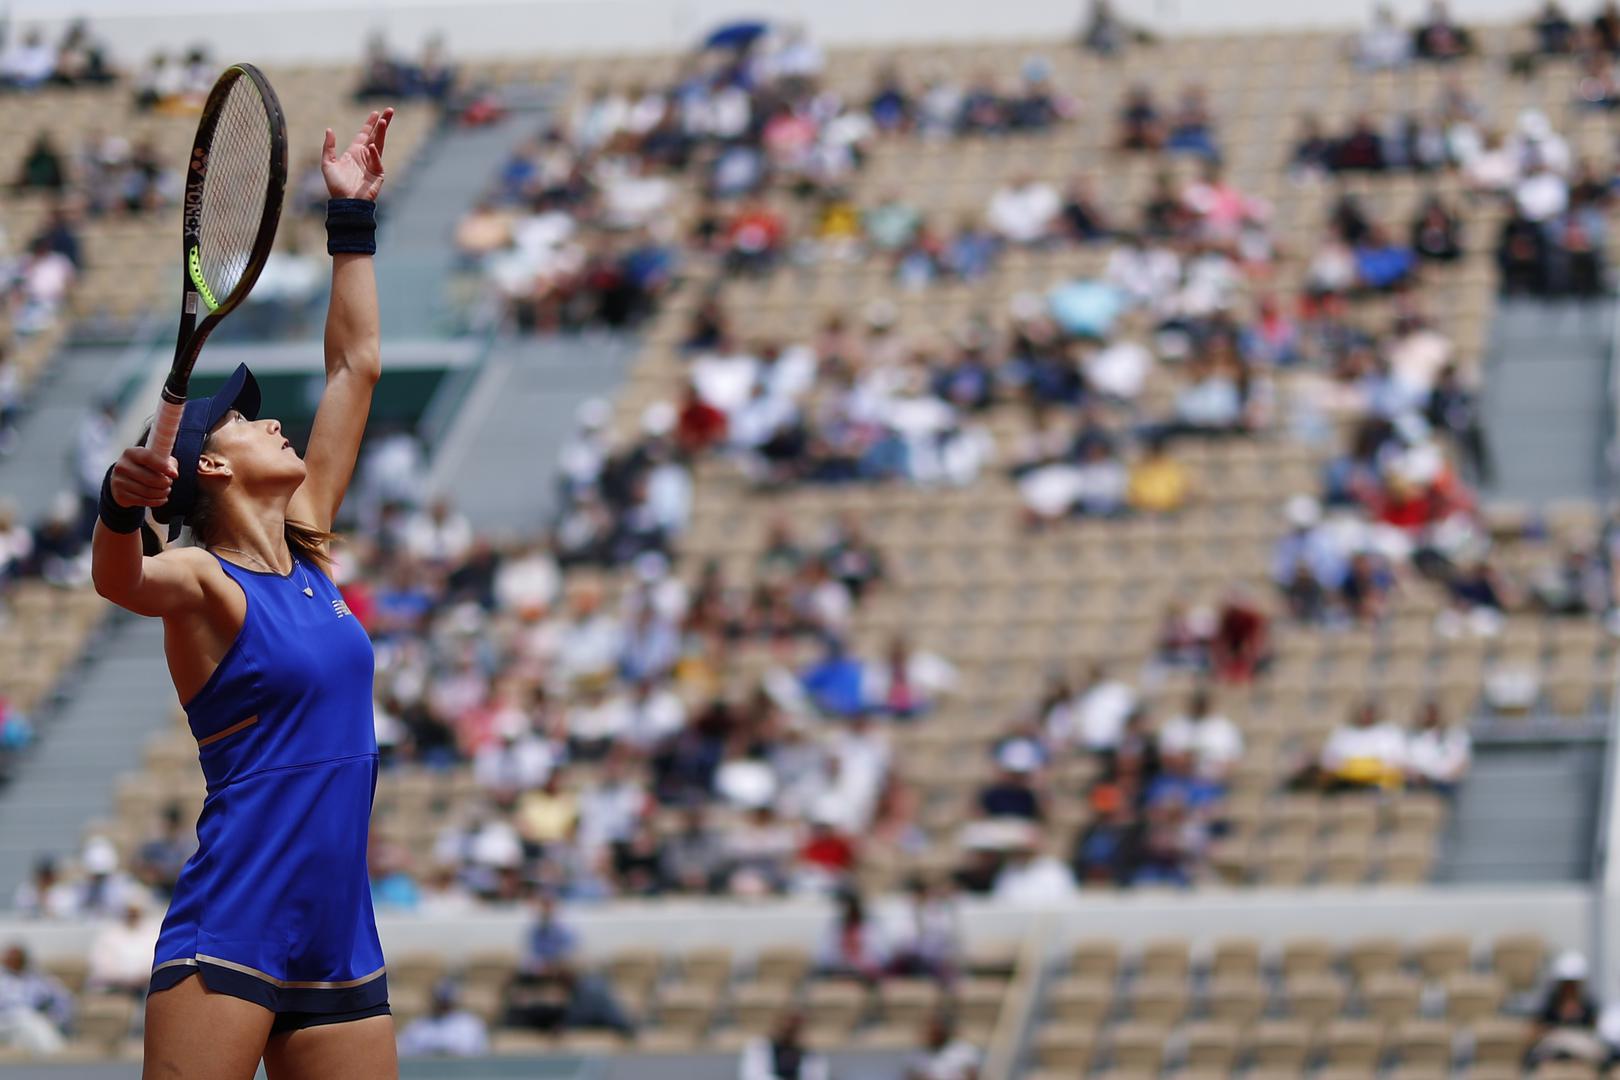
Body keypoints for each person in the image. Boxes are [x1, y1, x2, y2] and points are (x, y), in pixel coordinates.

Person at [91, 108, 397, 1079]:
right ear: (211, 469)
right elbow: (122, 578)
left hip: (339, 925)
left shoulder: (308, 554)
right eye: (243, 422)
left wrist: (351, 222)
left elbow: (355, 367)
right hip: (236, 919)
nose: (269, 422)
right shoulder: (206, 583)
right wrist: (116, 505)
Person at [1526, 952, 1606, 1067]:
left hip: (1581, 1044)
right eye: (1567, 983)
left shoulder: (1589, 1004)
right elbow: (1536, 1028)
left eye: (1573, 983)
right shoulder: (1550, 1003)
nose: (1570, 987)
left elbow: (1594, 1029)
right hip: (1553, 1042)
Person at [0, 943, 73, 1055]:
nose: (13, 961)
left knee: (30, 1026)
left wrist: (57, 1020)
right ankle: (54, 1054)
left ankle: (53, 1058)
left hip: (31, 1021)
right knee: (28, 1022)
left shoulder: (39, 979)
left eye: (17, 958)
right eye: (11, 958)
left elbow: (63, 1000)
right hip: (4, 1020)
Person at [395, 979, 489, 1057]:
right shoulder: (417, 1027)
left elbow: (481, 1058)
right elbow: (403, 1056)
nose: (443, 1005)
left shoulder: (471, 1025)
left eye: (446, 1002)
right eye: (440, 1001)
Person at [738, 1009, 829, 1080]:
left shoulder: (810, 1052)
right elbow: (754, 1076)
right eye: (786, 1026)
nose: (789, 1029)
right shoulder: (759, 1047)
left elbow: (817, 1076)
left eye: (794, 1027)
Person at [905, 1012, 981, 1079]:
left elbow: (973, 1075)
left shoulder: (965, 1052)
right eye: (931, 1029)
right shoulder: (914, 1055)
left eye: (937, 1029)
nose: (934, 1032)